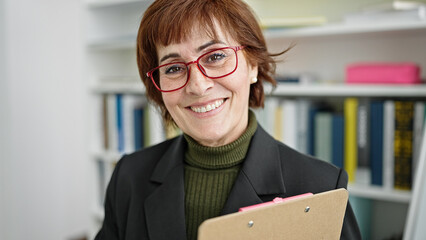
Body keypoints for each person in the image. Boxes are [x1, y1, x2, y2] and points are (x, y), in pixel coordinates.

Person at [95, 0, 361, 239]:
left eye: (215, 56)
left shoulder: (323, 187)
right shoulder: (129, 176)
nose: (198, 86)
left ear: (253, 65)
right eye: (174, 68)